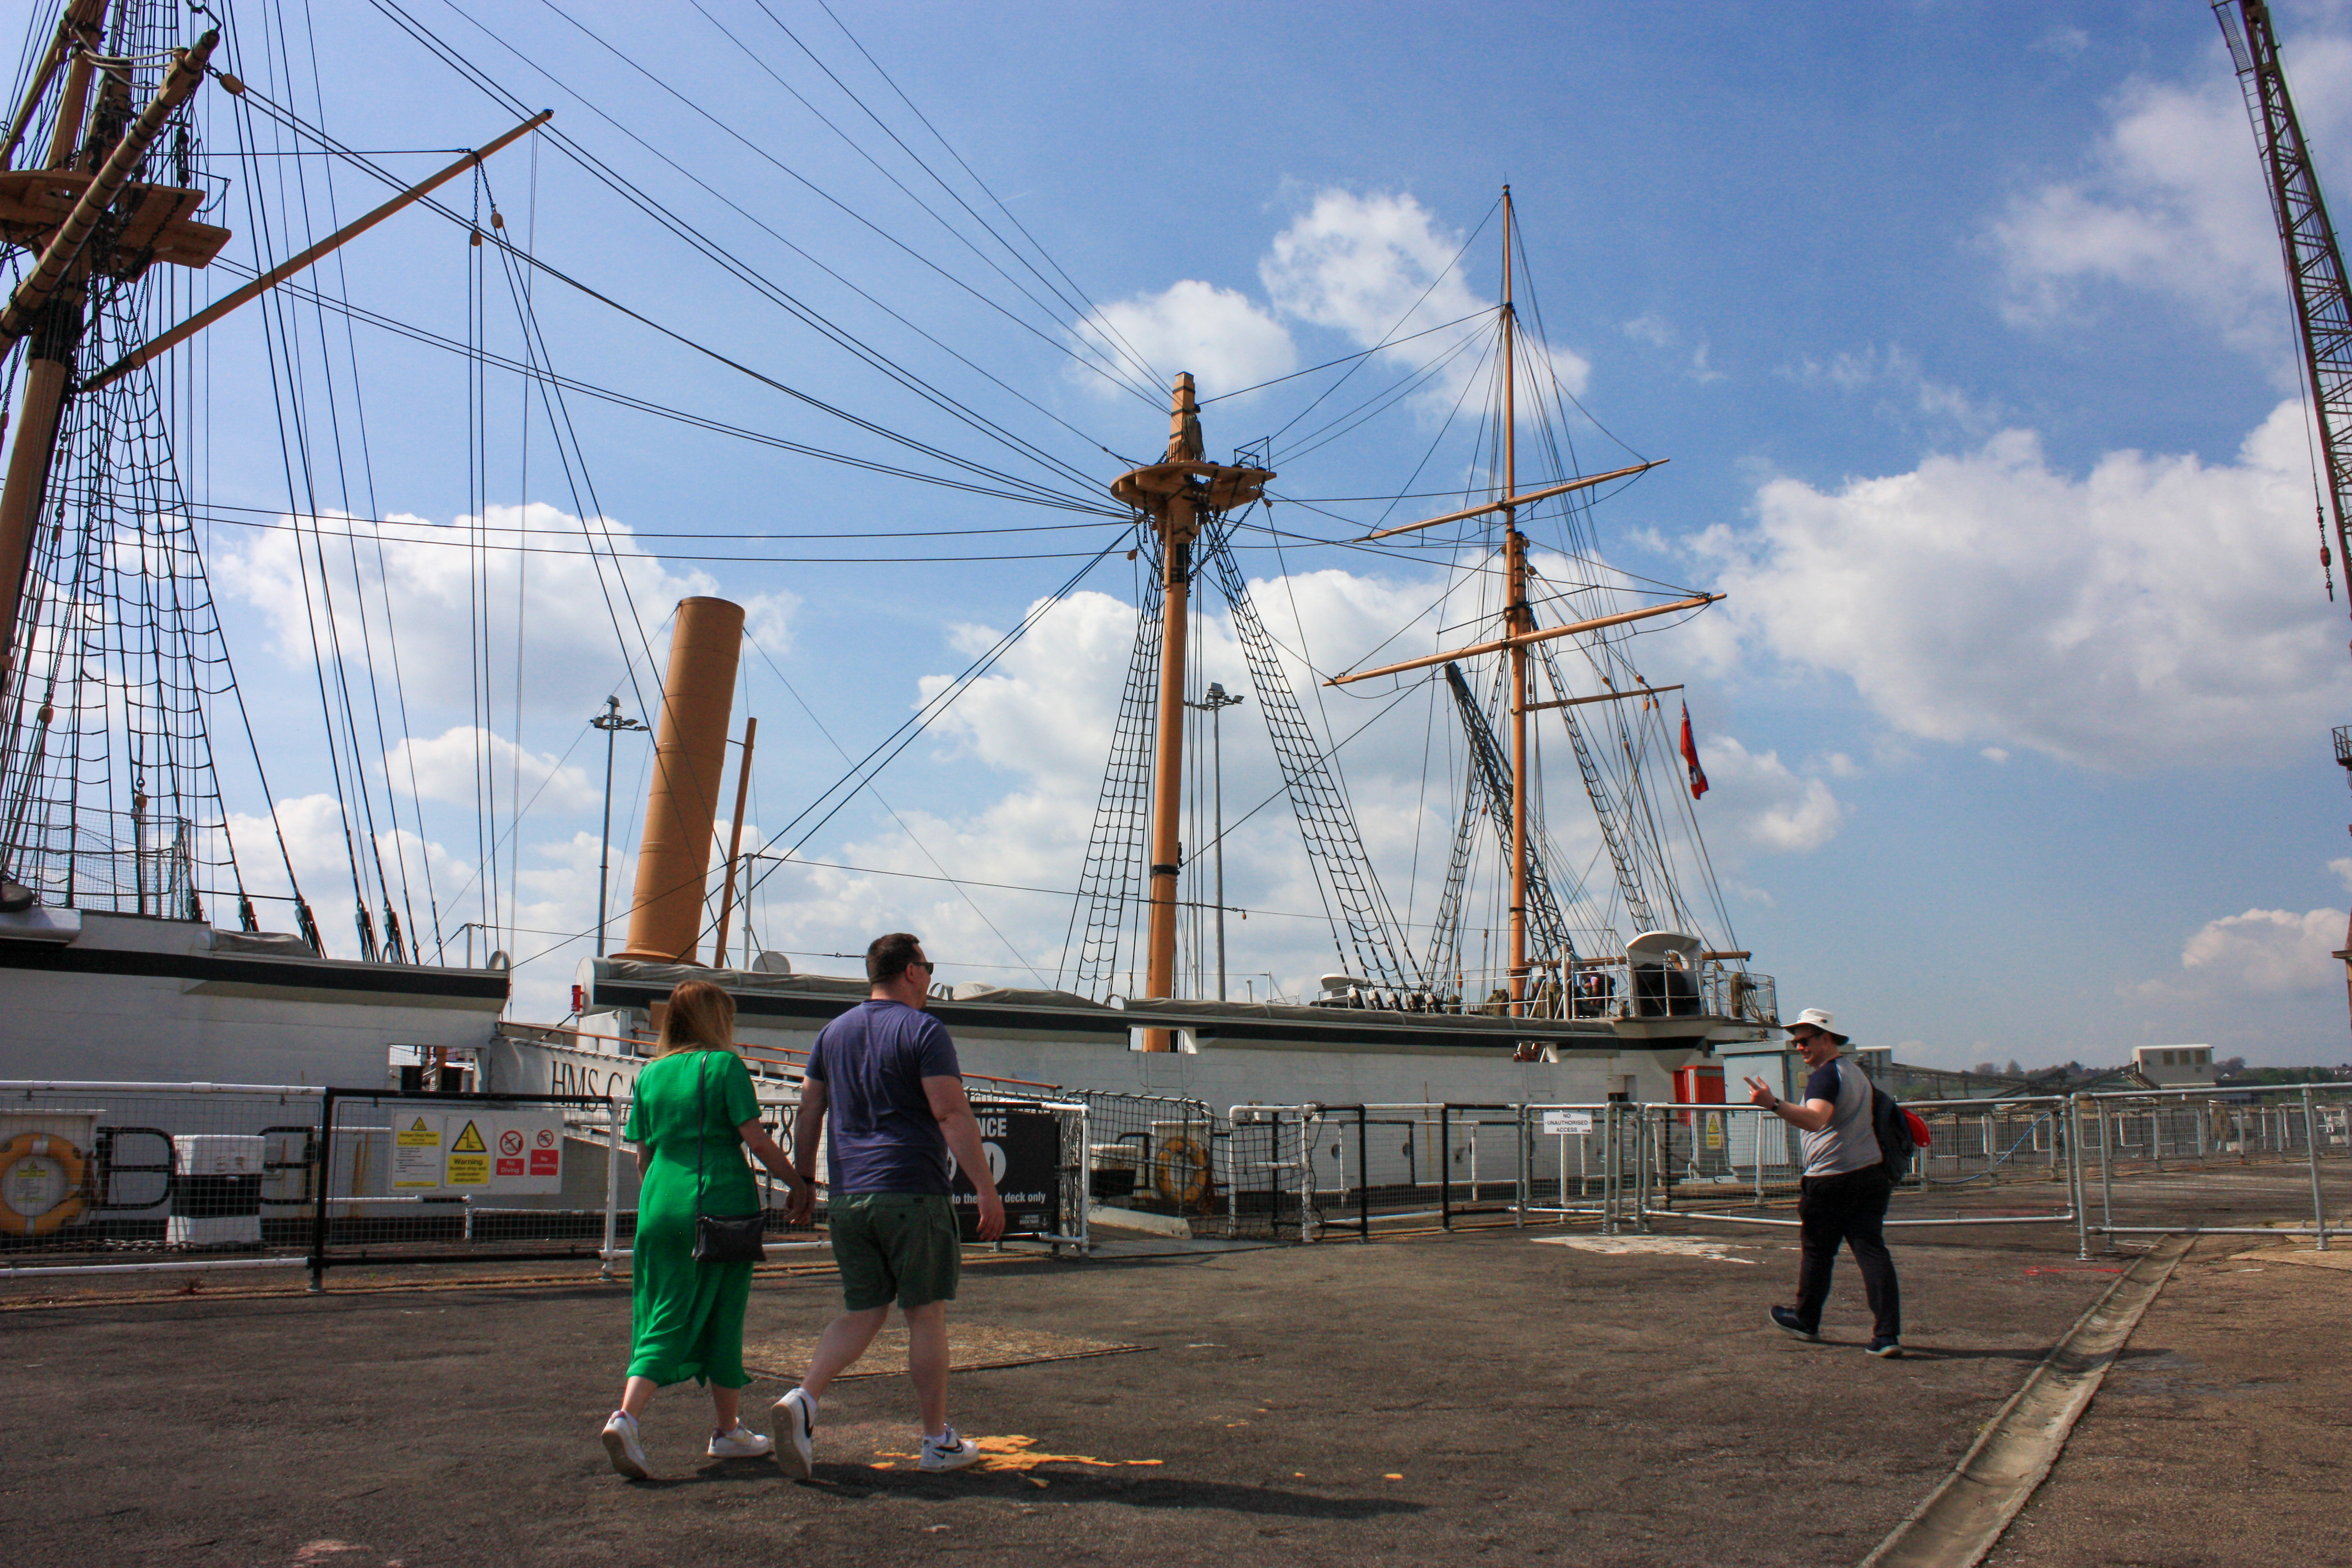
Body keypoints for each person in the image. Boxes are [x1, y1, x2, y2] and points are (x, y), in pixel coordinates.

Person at [774, 932, 1005, 1478]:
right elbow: (951, 1114)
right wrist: (985, 1187)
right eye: (926, 966)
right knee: (924, 1312)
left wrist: (804, 1181)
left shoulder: (832, 1033)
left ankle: (805, 1398)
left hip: (850, 1195)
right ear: (909, 972)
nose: (929, 977)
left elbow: (810, 1110)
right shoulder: (924, 1030)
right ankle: (935, 1440)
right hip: (911, 1188)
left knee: (863, 1310)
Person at [601, 980, 812, 1479]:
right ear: (715, 1021)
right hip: (718, 1200)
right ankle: (626, 1418)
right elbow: (755, 1140)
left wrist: (661, 1200)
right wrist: (797, 1183)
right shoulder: (723, 1067)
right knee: (714, 1309)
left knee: (673, 1303)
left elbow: (642, 1156)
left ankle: (729, 1429)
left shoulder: (649, 1075)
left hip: (660, 1200)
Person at [1743, 1007, 1902, 1357]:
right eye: (1796, 1042)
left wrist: (1773, 1103)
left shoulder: (1825, 1076)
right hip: (1869, 1174)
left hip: (1831, 1179)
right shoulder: (1854, 1073)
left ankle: (1806, 1319)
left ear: (1826, 1039)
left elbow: (1816, 1120)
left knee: (1817, 1252)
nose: (1799, 1047)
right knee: (1871, 1251)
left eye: (1805, 1040)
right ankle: (1887, 1335)